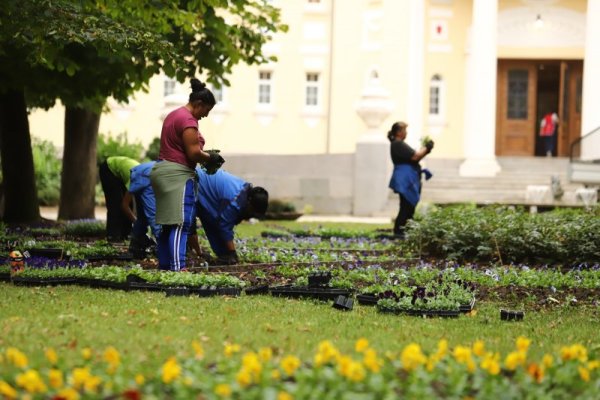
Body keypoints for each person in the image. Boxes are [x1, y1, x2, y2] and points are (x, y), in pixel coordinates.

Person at [150, 78, 225, 271]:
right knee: (180, 223)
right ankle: (178, 268)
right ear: (199, 104)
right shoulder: (188, 120)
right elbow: (193, 153)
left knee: (167, 224)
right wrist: (210, 157)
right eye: (206, 111)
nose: (205, 117)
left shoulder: (173, 115)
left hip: (163, 171)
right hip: (178, 176)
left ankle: (165, 267)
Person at [127, 161, 203, 262]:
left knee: (143, 215)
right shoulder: (191, 189)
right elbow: (190, 227)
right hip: (148, 175)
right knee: (155, 216)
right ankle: (166, 253)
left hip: (143, 171)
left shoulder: (190, 181)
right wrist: (198, 253)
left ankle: (136, 246)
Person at [195, 168, 269, 265]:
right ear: (249, 202)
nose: (250, 215)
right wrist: (232, 253)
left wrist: (224, 253)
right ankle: (188, 254)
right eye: (252, 212)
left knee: (212, 223)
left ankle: (218, 254)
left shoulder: (243, 191)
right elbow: (224, 227)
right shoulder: (234, 201)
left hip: (202, 183)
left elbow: (215, 223)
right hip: (194, 182)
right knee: (186, 225)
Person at [387, 122, 434, 239]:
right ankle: (400, 232)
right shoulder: (398, 144)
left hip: (407, 177)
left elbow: (415, 157)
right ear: (399, 132)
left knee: (408, 205)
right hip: (405, 178)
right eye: (404, 130)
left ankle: (404, 231)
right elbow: (415, 156)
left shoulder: (398, 144)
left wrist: (426, 149)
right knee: (407, 205)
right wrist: (427, 148)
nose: (406, 133)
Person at [99, 156, 140, 241]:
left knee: (130, 203)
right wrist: (137, 222)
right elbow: (124, 205)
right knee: (115, 204)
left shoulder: (146, 184)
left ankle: (126, 235)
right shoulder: (137, 180)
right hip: (109, 168)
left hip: (124, 173)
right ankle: (113, 236)